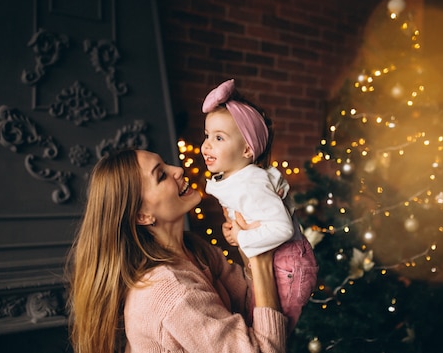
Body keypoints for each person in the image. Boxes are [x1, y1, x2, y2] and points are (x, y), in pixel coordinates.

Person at [66, 148, 287, 353]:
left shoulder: (195, 249)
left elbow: (250, 301)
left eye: (166, 164)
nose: (178, 170)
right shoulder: (172, 291)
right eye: (161, 175)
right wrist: (260, 257)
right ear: (142, 216)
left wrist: (250, 235)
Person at [201, 78, 318, 331]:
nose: (207, 145)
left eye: (219, 138)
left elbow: (282, 229)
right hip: (277, 264)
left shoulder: (251, 182)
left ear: (246, 150)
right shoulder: (237, 177)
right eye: (207, 135)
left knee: (271, 331)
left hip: (288, 267)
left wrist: (243, 237)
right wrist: (235, 231)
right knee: (261, 323)